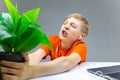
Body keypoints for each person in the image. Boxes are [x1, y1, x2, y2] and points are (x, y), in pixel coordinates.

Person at [0, 13, 89, 80]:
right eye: (65, 23)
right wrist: (19, 65)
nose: (66, 26)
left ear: (82, 36)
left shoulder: (81, 46)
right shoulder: (52, 40)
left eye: (73, 26)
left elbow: (67, 62)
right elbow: (37, 55)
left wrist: (30, 72)